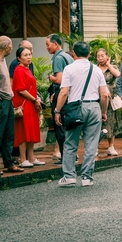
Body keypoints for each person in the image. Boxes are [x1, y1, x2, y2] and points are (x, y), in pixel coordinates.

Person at [54, 41, 109, 187]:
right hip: (94, 107)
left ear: (73, 53)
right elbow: (104, 94)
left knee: (70, 142)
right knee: (91, 144)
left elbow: (64, 92)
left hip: (75, 108)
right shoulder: (96, 69)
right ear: (90, 54)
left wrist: (57, 111)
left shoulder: (69, 68)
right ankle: (87, 177)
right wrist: (103, 111)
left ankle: (69, 176)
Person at [11, 46, 45, 168]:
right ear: (19, 58)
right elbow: (21, 90)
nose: (29, 57)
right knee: (23, 131)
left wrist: (37, 99)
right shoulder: (19, 70)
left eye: (29, 54)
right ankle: (23, 158)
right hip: (24, 104)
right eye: (25, 55)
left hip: (31, 103)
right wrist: (35, 99)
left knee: (30, 130)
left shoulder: (28, 68)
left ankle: (31, 157)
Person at [46, 34, 73, 164]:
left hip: (62, 94)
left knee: (59, 125)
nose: (47, 47)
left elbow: (60, 80)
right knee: (68, 127)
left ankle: (65, 157)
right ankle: (71, 155)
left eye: (48, 44)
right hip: (71, 96)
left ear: (56, 44)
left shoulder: (58, 58)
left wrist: (51, 78)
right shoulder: (68, 56)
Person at [0, 37, 18, 187]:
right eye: (11, 45)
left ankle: (8, 162)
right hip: (1, 102)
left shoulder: (4, 60)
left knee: (9, 133)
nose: (12, 48)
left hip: (8, 100)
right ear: (7, 46)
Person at [96, 49, 121, 156]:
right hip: (97, 98)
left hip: (110, 98)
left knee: (111, 122)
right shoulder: (95, 69)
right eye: (98, 56)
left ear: (107, 56)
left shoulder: (113, 67)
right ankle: (95, 147)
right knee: (96, 123)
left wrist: (108, 65)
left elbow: (118, 74)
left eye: (102, 56)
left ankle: (111, 147)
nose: (100, 58)